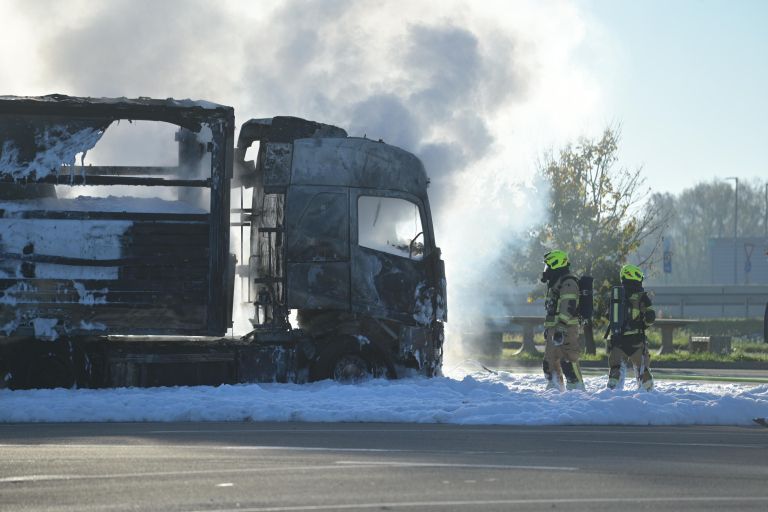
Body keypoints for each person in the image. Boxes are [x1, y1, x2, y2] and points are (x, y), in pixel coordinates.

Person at [607, 264, 655, 391]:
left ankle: (612, 398)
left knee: (616, 372)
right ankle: (645, 399)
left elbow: (609, 316)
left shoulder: (616, 294)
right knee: (644, 376)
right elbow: (651, 317)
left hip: (617, 342)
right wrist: (643, 326)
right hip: (636, 342)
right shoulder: (642, 296)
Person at [541, 250, 584, 391]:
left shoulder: (568, 282)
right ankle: (554, 388)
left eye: (548, 266)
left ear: (556, 264)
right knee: (549, 361)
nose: (546, 270)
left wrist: (560, 327)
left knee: (569, 360)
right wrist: (549, 329)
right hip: (555, 328)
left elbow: (568, 306)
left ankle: (577, 390)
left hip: (566, 328)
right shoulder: (556, 283)